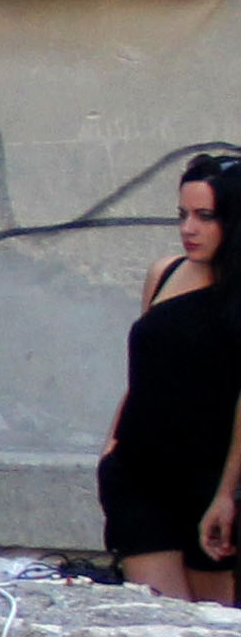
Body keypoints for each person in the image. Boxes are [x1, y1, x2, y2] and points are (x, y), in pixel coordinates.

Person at [101, 149, 239, 603]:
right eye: (182, 215)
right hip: (141, 476)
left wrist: (226, 494)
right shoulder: (166, 272)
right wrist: (111, 449)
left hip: (210, 480)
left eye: (206, 216)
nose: (189, 229)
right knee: (155, 621)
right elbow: (144, 371)